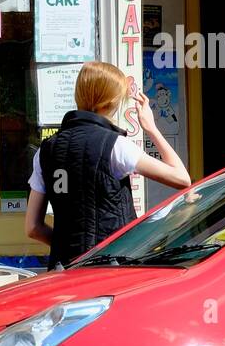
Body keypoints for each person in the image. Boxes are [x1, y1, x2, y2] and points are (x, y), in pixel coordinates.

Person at [25, 60, 190, 269]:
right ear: (111, 102)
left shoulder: (45, 150)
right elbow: (181, 178)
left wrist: (69, 249)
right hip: (110, 270)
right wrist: (151, 128)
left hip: (63, 270)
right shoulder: (115, 146)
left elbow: (33, 227)